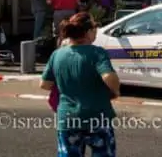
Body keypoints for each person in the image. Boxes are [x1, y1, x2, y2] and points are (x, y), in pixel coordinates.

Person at [40, 12, 121, 157]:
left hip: (67, 118)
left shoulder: (57, 55)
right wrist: (116, 90)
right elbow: (108, 76)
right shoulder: (97, 53)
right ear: (88, 32)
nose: (96, 30)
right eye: (95, 27)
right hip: (97, 116)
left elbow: (45, 84)